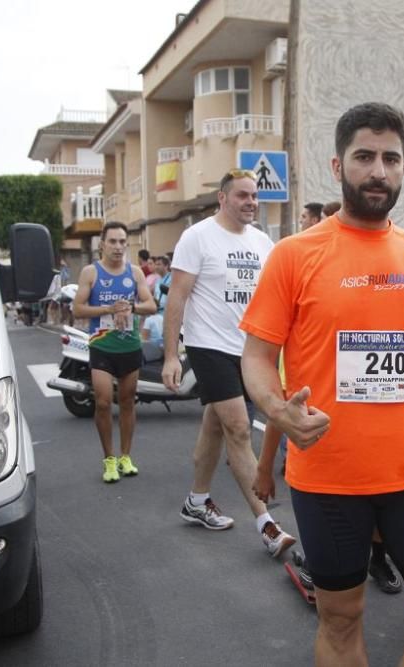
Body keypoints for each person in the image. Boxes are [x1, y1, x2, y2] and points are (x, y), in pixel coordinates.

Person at [240, 102, 404, 666]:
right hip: (328, 480)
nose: (378, 171)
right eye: (364, 156)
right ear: (337, 164)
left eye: (390, 158)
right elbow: (256, 354)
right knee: (342, 621)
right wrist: (277, 409)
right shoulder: (294, 255)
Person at [161, 168, 296, 557]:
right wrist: (172, 355)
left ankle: (197, 500)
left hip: (251, 349)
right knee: (238, 427)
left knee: (216, 425)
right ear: (222, 198)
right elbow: (178, 298)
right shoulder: (197, 236)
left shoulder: (262, 242)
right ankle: (267, 524)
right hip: (209, 346)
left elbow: (274, 299)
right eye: (242, 195)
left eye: (254, 196)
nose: (251, 202)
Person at [71, 221, 156, 483]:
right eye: (113, 242)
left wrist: (130, 307)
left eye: (122, 242)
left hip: (129, 346)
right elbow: (77, 309)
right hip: (102, 346)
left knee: (128, 402)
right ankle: (108, 458)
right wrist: (108, 310)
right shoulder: (90, 272)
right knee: (104, 401)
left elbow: (151, 306)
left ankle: (125, 456)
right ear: (102, 244)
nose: (118, 247)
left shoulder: (135, 273)